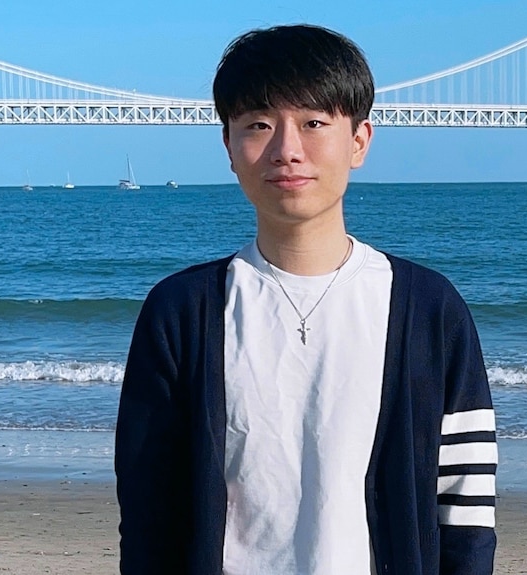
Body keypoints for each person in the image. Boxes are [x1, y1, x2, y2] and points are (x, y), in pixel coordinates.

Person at [115, 24, 497, 575]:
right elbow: (149, 512)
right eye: (258, 125)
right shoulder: (180, 312)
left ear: (360, 141)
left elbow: (465, 505)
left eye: (315, 123)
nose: (287, 150)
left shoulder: (430, 309)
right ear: (228, 145)